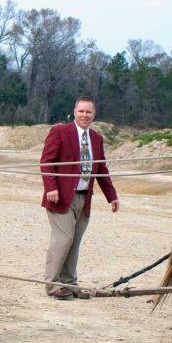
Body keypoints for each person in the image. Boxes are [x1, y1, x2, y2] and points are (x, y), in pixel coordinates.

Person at [39, 96, 119, 300]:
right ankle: (52, 285)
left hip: (85, 198)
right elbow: (46, 162)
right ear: (74, 112)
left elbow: (101, 169)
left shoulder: (97, 139)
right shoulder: (59, 132)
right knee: (63, 239)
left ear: (94, 114)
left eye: (88, 112)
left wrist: (112, 196)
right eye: (81, 111)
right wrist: (51, 188)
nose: (85, 115)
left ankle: (69, 283)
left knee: (74, 241)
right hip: (61, 197)